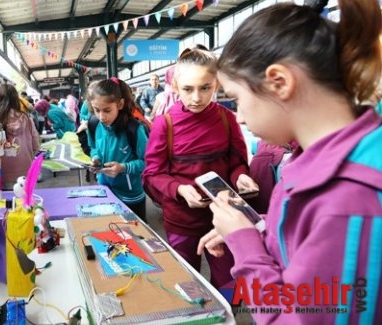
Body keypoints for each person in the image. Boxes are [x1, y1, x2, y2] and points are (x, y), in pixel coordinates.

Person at [199, 1, 382, 323]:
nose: (238, 116)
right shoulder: (322, 164)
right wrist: (260, 229)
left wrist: (245, 246)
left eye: (237, 99)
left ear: (279, 82)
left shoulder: (348, 199)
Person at [141, 46, 256, 289]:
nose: (196, 98)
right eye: (188, 89)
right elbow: (153, 173)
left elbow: (236, 162)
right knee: (187, 283)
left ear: (216, 84)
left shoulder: (227, 119)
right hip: (182, 220)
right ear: (174, 87)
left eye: (205, 88)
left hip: (223, 219)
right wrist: (180, 189)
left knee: (228, 282)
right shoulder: (165, 124)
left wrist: (241, 176)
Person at [87, 77, 149, 222]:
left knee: (135, 236)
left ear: (120, 104)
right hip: (105, 190)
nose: (101, 117)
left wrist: (123, 168)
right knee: (108, 231)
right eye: (97, 110)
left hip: (131, 195)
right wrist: (95, 158)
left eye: (107, 110)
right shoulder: (94, 123)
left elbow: (148, 162)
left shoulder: (134, 129)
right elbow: (93, 147)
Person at [0, 84, 40, 190]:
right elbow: (35, 144)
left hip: (0, 174)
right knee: (23, 204)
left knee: (3, 204)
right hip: (25, 174)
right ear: (16, 99)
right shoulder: (27, 118)